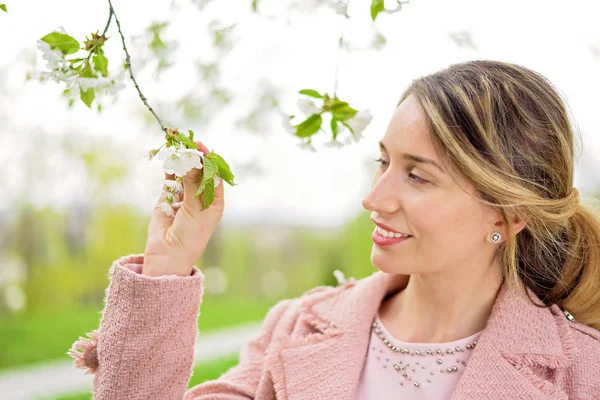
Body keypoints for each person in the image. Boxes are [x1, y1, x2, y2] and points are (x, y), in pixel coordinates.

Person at [69, 60, 600, 400]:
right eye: (383, 162)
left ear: (507, 215)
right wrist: (168, 266)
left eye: (417, 175)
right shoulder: (296, 329)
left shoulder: (583, 373)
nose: (374, 198)